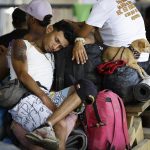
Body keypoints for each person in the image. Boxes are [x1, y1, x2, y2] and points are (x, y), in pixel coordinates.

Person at [8, 20, 97, 150]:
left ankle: (47, 125)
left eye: (60, 46)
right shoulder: (22, 44)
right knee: (60, 124)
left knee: (86, 87)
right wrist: (44, 98)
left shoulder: (52, 55)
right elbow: (22, 74)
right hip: (27, 96)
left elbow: (93, 37)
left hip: (47, 96)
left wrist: (79, 41)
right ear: (49, 29)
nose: (56, 47)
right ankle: (48, 126)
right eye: (56, 40)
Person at [71, 0, 148, 64]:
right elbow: (93, 23)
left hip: (124, 64)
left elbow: (81, 34)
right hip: (144, 59)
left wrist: (71, 25)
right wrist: (76, 23)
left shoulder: (102, 4)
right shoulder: (125, 1)